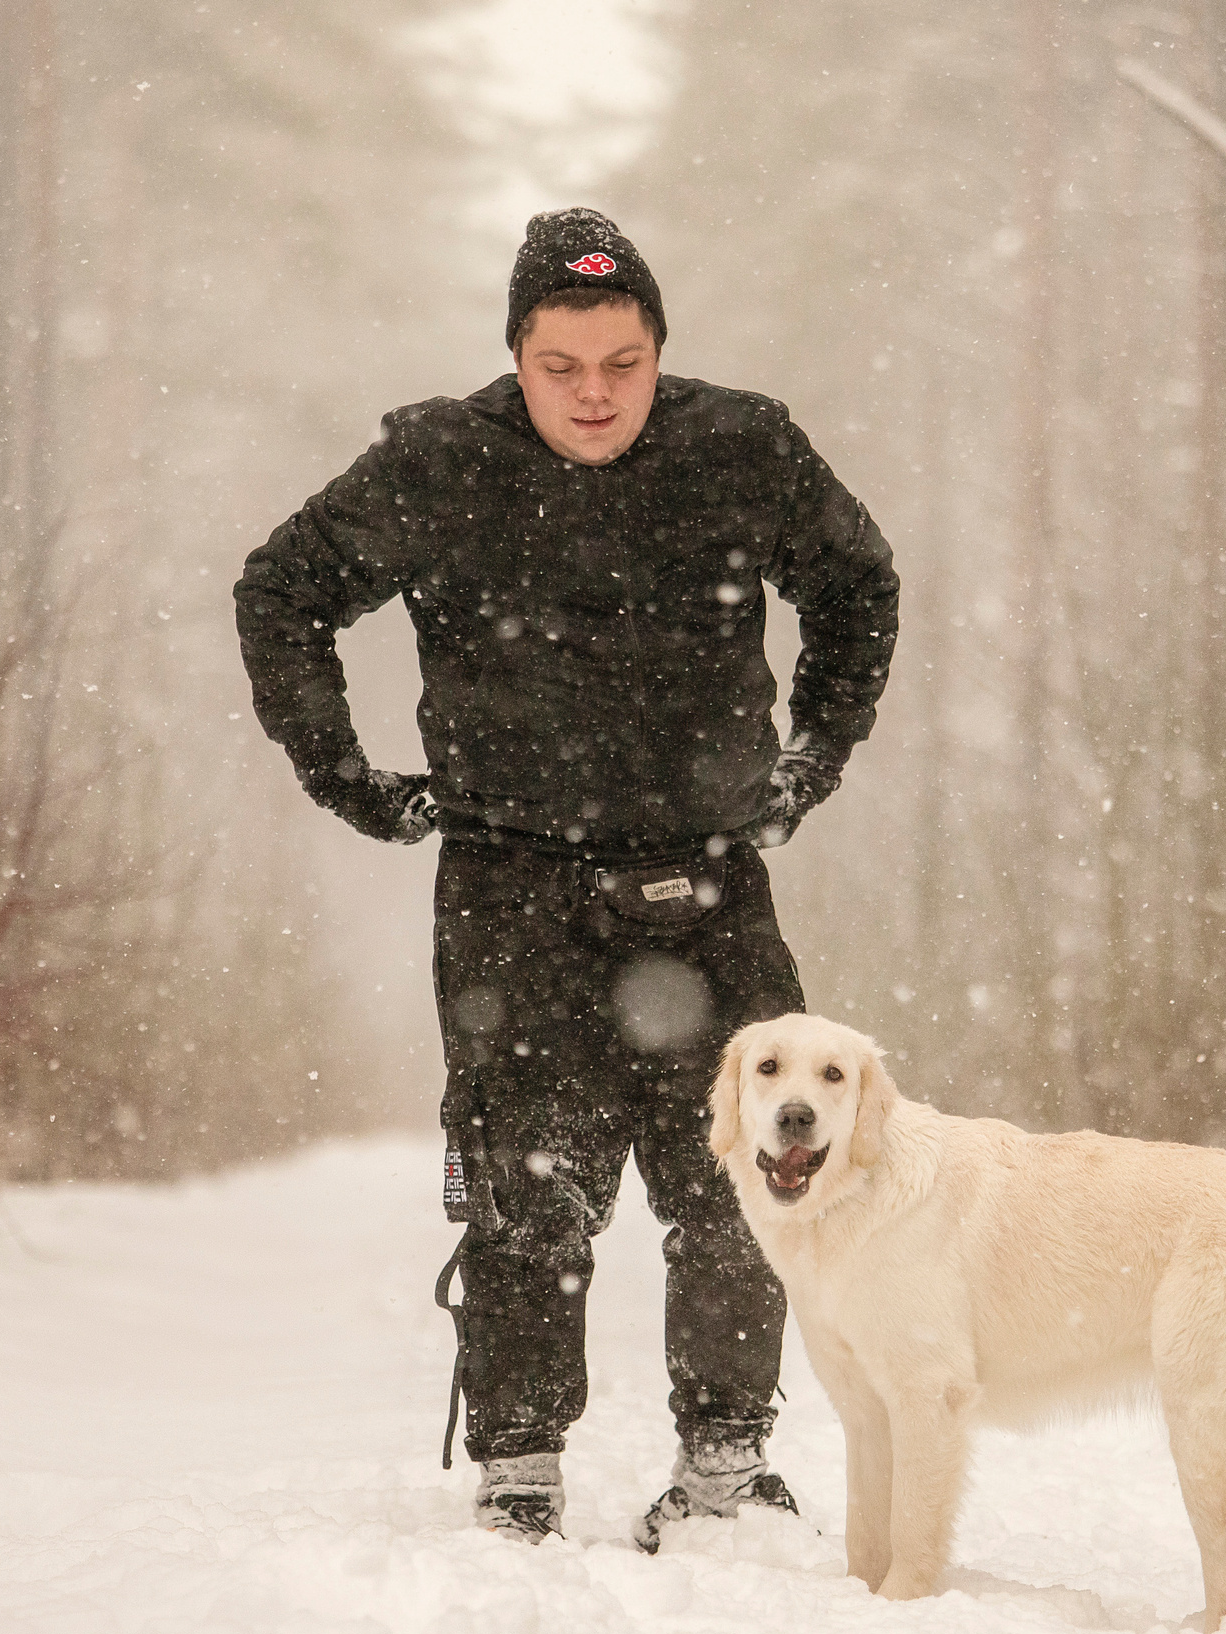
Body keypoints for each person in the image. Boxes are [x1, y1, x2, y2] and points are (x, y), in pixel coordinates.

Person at [233, 209, 898, 1547]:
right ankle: (519, 1476)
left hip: (706, 885)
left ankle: (725, 1473)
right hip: (511, 887)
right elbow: (281, 590)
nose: (595, 394)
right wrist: (346, 778)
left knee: (742, 1178)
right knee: (525, 1187)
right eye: (560, 366)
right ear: (516, 357)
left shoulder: (740, 448)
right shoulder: (441, 463)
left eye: (623, 363)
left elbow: (858, 586)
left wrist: (810, 762)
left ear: (659, 350)